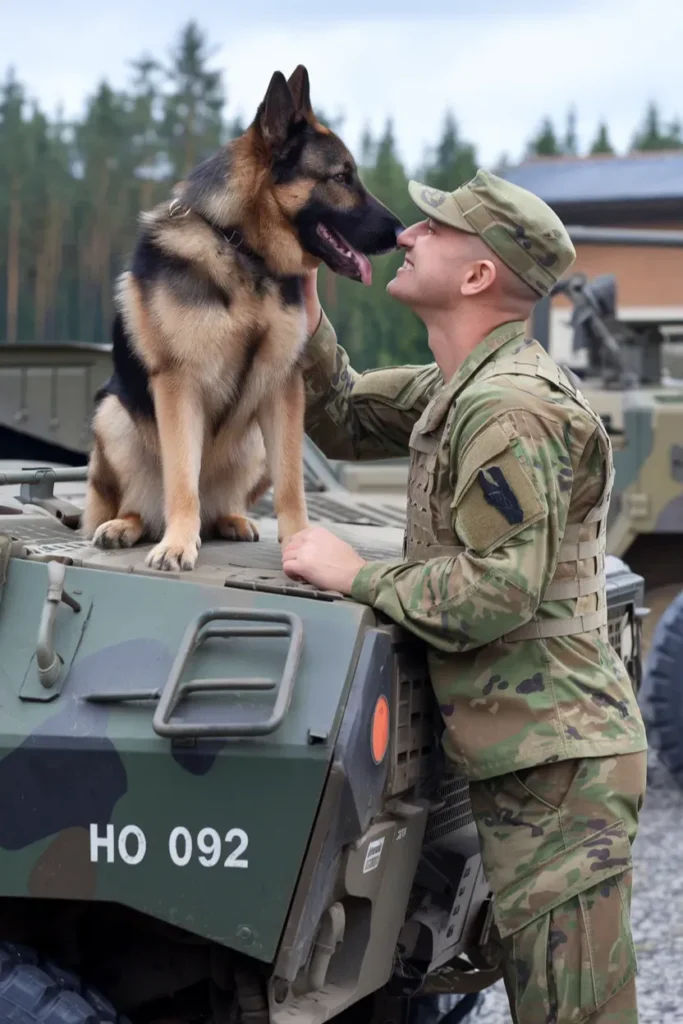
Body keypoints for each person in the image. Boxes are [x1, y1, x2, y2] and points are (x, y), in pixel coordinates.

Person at [282, 169, 648, 1024]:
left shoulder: (507, 410)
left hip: (556, 765)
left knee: (575, 1015)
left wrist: (355, 573)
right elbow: (337, 413)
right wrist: (300, 296)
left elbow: (497, 590)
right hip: (527, 754)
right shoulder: (460, 387)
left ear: (478, 276)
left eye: (432, 228)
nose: (405, 234)